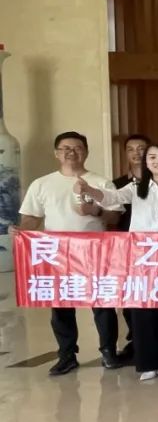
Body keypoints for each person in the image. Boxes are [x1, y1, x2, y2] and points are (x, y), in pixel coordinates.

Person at [76, 143, 158, 382]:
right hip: (141, 260)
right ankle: (148, 363)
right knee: (143, 310)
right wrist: (89, 190)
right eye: (152, 157)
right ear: (146, 163)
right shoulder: (136, 188)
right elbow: (112, 197)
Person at [15, 132, 123, 375]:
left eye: (77, 148)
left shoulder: (101, 182)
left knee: (102, 302)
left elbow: (115, 217)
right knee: (61, 305)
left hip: (94, 251)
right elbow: (31, 218)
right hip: (57, 253)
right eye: (65, 148)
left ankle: (108, 351)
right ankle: (66, 354)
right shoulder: (42, 184)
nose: (71, 153)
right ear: (56, 153)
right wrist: (21, 231)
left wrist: (95, 211)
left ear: (86, 152)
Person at [112, 133, 150, 362]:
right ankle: (135, 341)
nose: (136, 153)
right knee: (129, 295)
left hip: (154, 248)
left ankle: (153, 340)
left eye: (141, 148)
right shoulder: (117, 185)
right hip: (126, 247)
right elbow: (111, 216)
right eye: (131, 149)